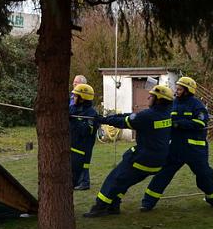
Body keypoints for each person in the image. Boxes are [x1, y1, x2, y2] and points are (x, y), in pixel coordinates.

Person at [83, 84, 173, 217]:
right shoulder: (166, 115)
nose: (149, 97)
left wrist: (103, 120)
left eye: (152, 96)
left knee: (114, 179)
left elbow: (125, 122)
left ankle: (99, 207)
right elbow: (132, 116)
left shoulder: (148, 115)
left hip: (142, 159)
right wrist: (113, 116)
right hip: (157, 162)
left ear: (159, 99)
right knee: (125, 181)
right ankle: (114, 206)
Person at [141, 77, 213, 210]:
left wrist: (179, 123)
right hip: (175, 148)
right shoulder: (172, 104)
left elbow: (201, 123)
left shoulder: (197, 105)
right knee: (162, 175)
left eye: (180, 89)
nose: (177, 91)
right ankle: (147, 203)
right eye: (177, 88)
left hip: (195, 149)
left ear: (188, 90)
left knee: (204, 175)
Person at [69, 84, 99, 190]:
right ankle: (80, 183)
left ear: (82, 98)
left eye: (76, 96)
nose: (73, 98)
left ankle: (84, 183)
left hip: (83, 147)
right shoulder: (72, 109)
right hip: (72, 144)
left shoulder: (91, 113)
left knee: (83, 165)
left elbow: (87, 131)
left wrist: (74, 120)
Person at [69, 75, 91, 189]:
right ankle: (78, 182)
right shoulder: (72, 98)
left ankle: (84, 182)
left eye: (76, 83)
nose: (74, 84)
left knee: (83, 160)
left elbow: (86, 128)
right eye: (73, 82)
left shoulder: (88, 110)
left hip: (82, 140)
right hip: (73, 135)